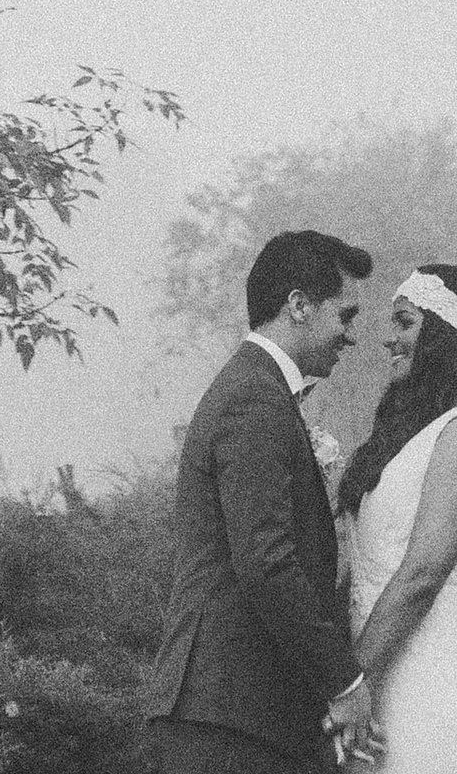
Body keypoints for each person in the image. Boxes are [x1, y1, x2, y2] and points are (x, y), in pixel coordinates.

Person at [149, 230, 381, 774]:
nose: (350, 337)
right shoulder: (255, 398)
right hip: (225, 715)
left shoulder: (259, 390)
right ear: (299, 305)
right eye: (344, 316)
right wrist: (344, 682)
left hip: (238, 711)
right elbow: (267, 563)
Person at [334, 266, 457, 774]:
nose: (389, 338)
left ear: (443, 335)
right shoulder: (413, 434)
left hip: (426, 683)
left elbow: (422, 574)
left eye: (404, 323)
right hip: (379, 671)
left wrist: (354, 681)